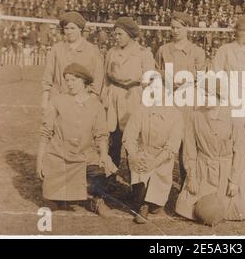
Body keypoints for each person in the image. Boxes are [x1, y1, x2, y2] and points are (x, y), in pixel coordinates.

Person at [36, 63, 118, 217]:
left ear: (84, 81)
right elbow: (45, 133)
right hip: (59, 156)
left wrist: (104, 155)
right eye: (67, 80)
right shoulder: (57, 101)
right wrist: (40, 161)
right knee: (52, 204)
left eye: (74, 80)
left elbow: (101, 135)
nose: (70, 84)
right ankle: (60, 193)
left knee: (103, 168)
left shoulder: (96, 105)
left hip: (84, 155)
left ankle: (97, 200)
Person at [175, 79, 245, 223]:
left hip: (227, 171)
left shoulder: (234, 118)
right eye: (201, 95)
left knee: (232, 212)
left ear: (219, 96)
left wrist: (234, 181)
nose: (203, 99)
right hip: (203, 169)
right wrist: (191, 177)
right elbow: (189, 150)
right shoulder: (194, 117)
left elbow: (241, 152)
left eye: (207, 95)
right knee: (195, 211)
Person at [122, 81, 184, 224]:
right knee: (141, 195)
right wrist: (134, 156)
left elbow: (172, 147)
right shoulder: (141, 110)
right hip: (142, 156)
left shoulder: (176, 115)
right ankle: (141, 202)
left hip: (161, 160)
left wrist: (154, 162)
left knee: (156, 206)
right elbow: (129, 137)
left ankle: (151, 201)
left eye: (158, 88)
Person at [155, 11, 206, 185]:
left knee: (187, 144)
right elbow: (157, 72)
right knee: (164, 142)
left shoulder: (197, 52)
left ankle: (186, 183)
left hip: (187, 102)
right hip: (168, 100)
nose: (175, 31)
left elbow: (201, 78)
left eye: (179, 27)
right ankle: (160, 187)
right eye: (172, 27)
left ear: (187, 28)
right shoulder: (163, 50)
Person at [101, 17, 156, 167]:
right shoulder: (111, 52)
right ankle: (110, 176)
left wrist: (147, 105)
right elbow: (106, 78)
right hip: (114, 98)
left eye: (120, 34)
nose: (116, 38)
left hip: (134, 96)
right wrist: (104, 100)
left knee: (133, 139)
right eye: (115, 34)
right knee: (113, 139)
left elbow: (150, 81)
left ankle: (135, 183)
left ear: (130, 35)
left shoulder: (144, 53)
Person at [41, 11, 104, 110]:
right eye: (66, 28)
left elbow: (98, 78)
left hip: (83, 102)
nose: (69, 32)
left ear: (80, 28)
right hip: (59, 99)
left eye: (72, 28)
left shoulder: (92, 50)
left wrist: (91, 99)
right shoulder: (56, 49)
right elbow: (47, 76)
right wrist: (45, 101)